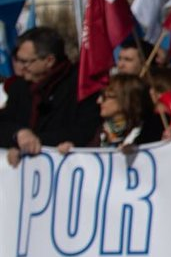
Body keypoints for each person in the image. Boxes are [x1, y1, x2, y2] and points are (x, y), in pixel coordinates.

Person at [2, 27, 101, 164]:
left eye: (25, 62)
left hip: (68, 166)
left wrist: (35, 140)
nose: (21, 67)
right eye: (18, 60)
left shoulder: (81, 85)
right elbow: (4, 123)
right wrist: (18, 134)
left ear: (49, 60)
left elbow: (84, 130)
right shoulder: (20, 87)